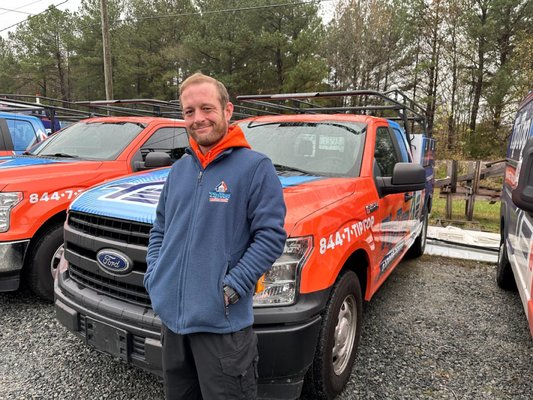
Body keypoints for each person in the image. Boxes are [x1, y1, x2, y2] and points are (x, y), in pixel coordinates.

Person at [144, 72, 287, 400]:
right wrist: (156, 276)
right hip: (174, 328)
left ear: (227, 111)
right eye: (188, 112)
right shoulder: (180, 169)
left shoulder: (255, 168)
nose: (197, 119)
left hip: (222, 330)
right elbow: (160, 229)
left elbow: (270, 236)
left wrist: (235, 286)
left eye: (206, 108)